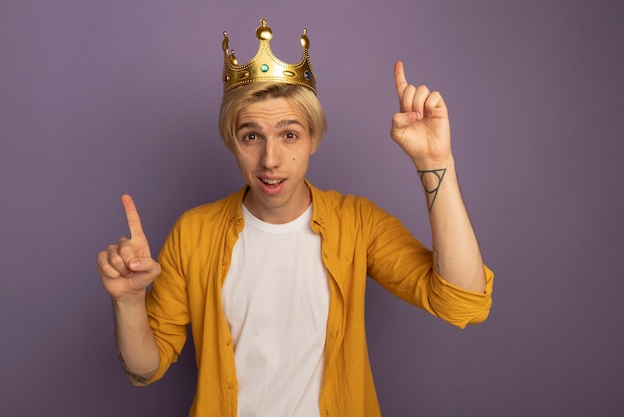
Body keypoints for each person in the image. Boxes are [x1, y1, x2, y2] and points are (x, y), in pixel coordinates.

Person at [97, 19, 494, 417]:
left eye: (289, 135)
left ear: (313, 139)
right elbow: (143, 370)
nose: (270, 160)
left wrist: (434, 160)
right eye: (252, 136)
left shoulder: (357, 224)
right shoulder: (194, 232)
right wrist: (130, 302)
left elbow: (463, 303)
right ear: (232, 142)